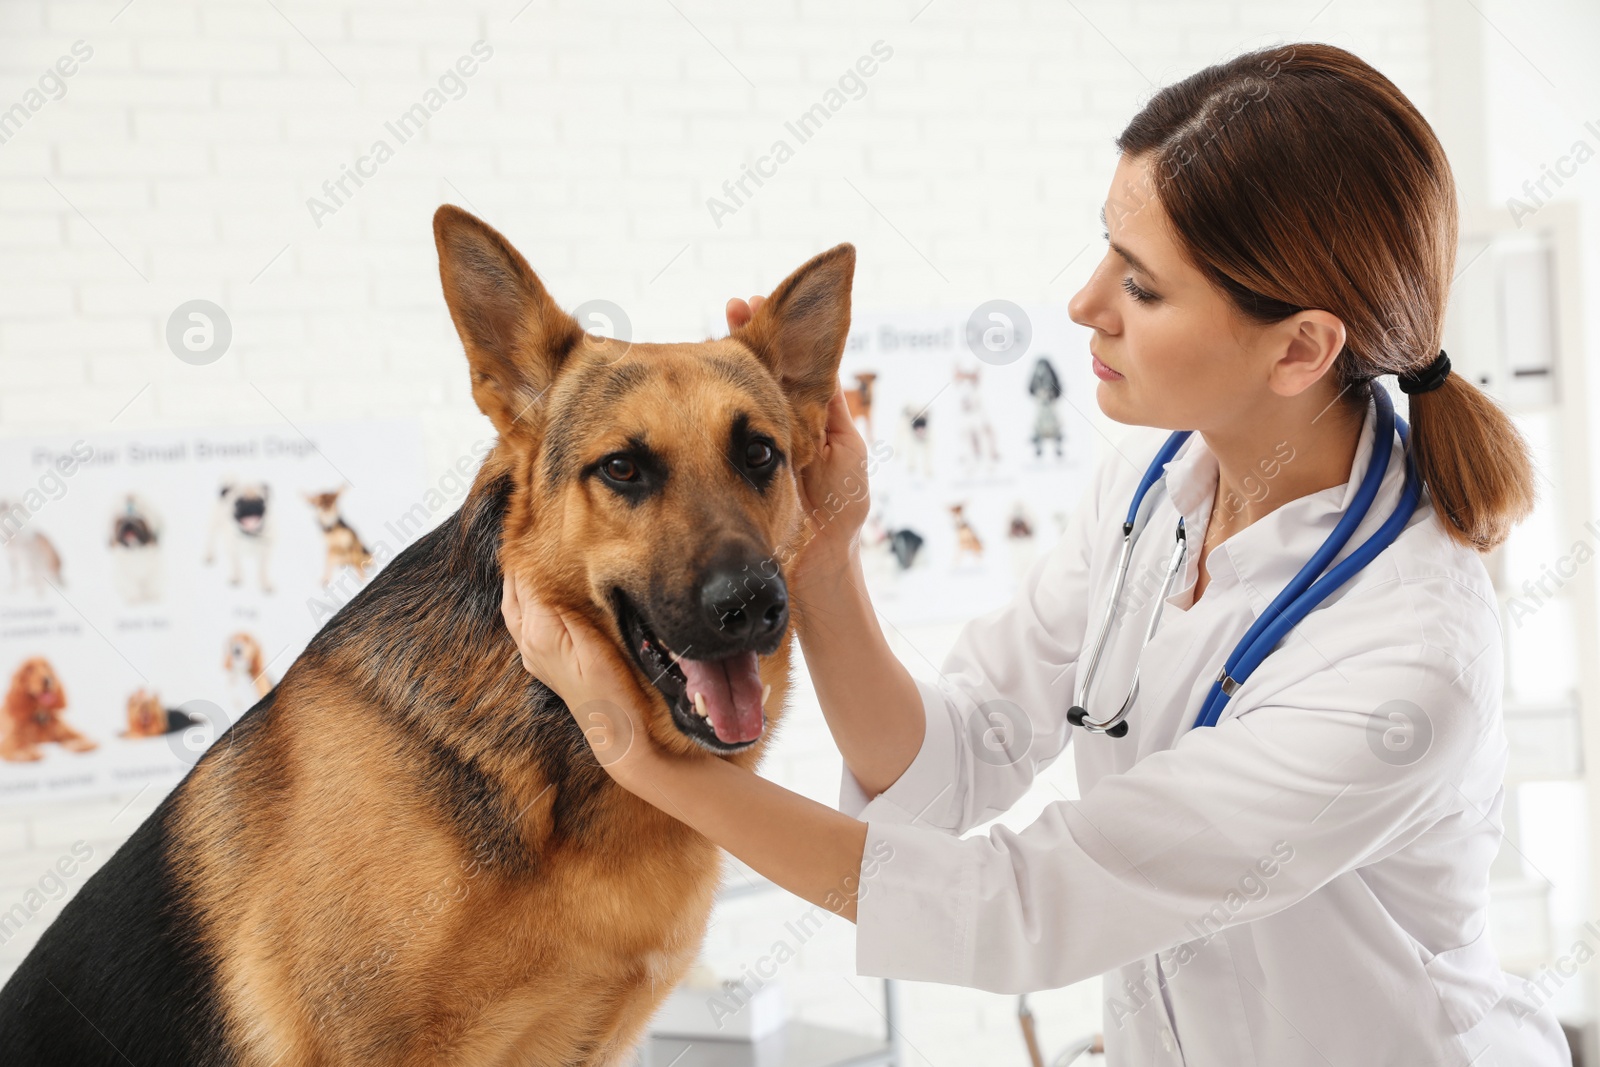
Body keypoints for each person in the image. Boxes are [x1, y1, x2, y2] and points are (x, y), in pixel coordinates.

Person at [501, 42, 1573, 1065]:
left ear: (1299, 347)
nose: (1084, 303)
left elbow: (1019, 908)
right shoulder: (1152, 492)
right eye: (1107, 243)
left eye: (1142, 286)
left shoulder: (1405, 660)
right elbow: (950, 761)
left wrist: (636, 752)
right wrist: (823, 558)